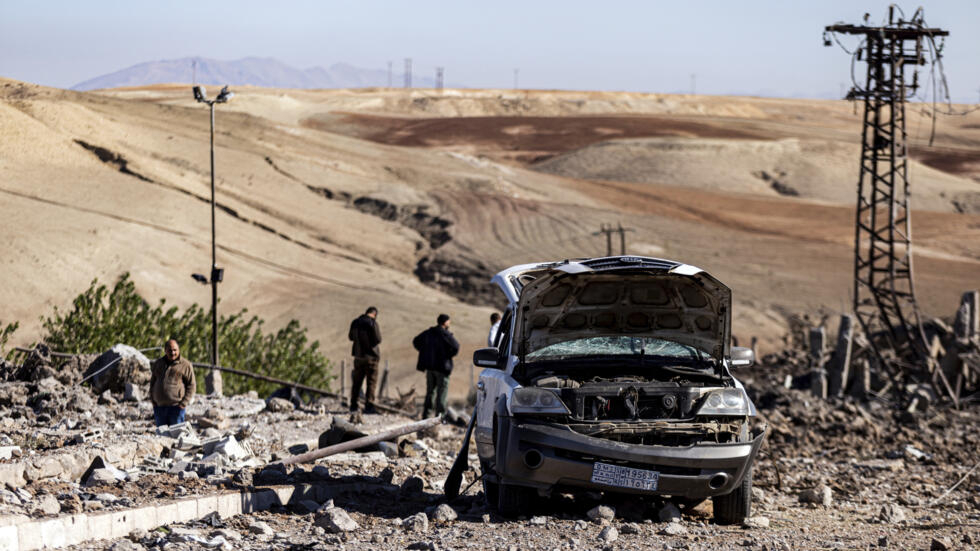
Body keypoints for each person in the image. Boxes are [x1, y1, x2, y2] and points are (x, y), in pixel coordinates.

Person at [413, 313, 459, 419]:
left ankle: (426, 416)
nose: (449, 323)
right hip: (442, 369)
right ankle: (440, 417)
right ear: (445, 322)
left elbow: (416, 341)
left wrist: (425, 352)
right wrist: (448, 355)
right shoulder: (445, 334)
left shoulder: (429, 333)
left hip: (430, 368)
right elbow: (456, 347)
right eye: (449, 321)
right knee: (442, 393)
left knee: (430, 392)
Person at [149, 339, 196, 427]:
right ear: (165, 350)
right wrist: (153, 400)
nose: (172, 352)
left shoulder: (185, 365)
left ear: (179, 350)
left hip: (176, 408)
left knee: (176, 435)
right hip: (159, 408)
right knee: (162, 436)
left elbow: (192, 385)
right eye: (170, 350)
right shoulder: (158, 363)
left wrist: (183, 403)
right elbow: (152, 382)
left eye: (175, 350)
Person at [348, 306, 382, 413]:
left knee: (357, 382)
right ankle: (369, 406)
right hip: (371, 357)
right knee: (371, 382)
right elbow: (378, 339)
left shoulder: (355, 322)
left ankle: (353, 405)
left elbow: (350, 337)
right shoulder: (372, 323)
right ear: (374, 314)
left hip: (358, 357)